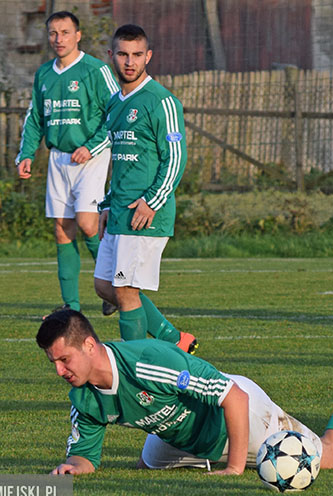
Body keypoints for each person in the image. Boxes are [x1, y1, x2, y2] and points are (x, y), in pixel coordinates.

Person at [38, 309, 333, 475]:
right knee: (149, 463)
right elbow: (85, 456)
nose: (59, 371)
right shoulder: (83, 396)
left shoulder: (149, 361)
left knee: (330, 459)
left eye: (64, 360)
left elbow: (232, 396)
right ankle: (207, 455)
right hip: (178, 437)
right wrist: (73, 467)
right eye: (53, 363)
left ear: (90, 345)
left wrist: (235, 470)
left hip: (240, 413)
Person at [93, 24, 194, 352]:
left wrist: (152, 201)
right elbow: (119, 162)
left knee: (124, 291)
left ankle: (136, 370)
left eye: (137, 54)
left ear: (148, 56)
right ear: (112, 56)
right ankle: (172, 339)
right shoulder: (115, 103)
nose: (129, 62)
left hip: (145, 212)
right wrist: (107, 204)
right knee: (104, 286)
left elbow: (175, 157)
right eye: (123, 54)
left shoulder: (161, 101)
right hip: (120, 209)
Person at [16, 11, 119, 317]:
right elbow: (34, 118)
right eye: (52, 33)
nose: (58, 39)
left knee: (88, 223)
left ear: (78, 35)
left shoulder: (95, 70)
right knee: (63, 230)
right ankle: (71, 308)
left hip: (91, 157)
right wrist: (26, 154)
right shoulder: (44, 74)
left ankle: (113, 287)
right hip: (59, 159)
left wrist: (92, 146)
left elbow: (115, 114)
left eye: (64, 32)